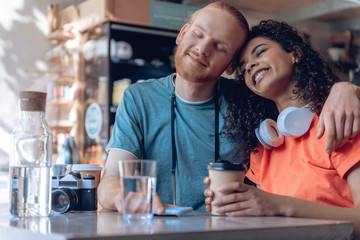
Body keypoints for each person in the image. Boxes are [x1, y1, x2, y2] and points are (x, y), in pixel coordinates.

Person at [98, 2, 360, 215]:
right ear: (182, 34)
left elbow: (297, 97)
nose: (202, 49)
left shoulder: (254, 103)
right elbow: (110, 179)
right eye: (198, 35)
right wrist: (125, 198)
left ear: (229, 67)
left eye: (220, 47)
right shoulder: (138, 98)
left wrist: (345, 89)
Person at [204, 20, 360, 237]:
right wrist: (236, 207)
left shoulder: (338, 118)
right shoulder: (264, 145)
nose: (250, 65)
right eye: (243, 67)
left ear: (295, 53)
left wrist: (281, 206)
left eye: (260, 52)